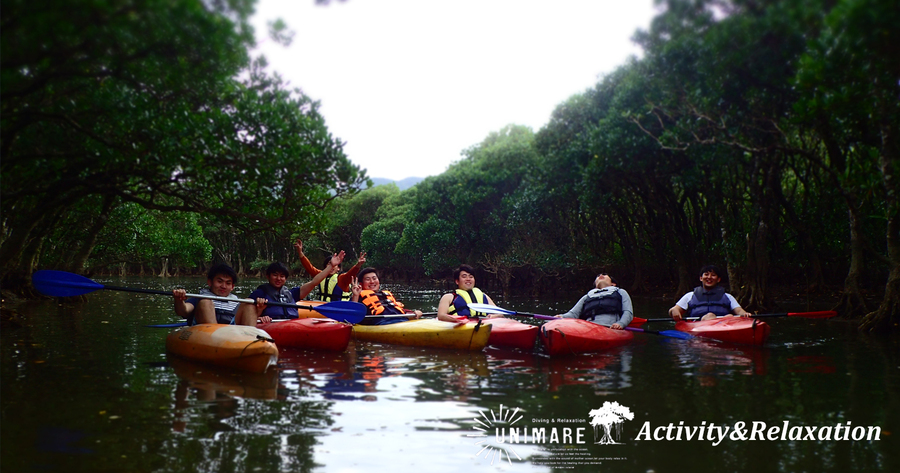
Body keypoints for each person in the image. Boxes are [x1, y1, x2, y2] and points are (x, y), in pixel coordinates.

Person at [249, 251, 345, 319]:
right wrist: (259, 313)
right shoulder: (260, 293)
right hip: (271, 325)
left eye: (282, 276)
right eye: (275, 275)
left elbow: (314, 282)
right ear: (267, 276)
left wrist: (331, 266)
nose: (278, 279)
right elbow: (247, 312)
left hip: (290, 325)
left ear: (286, 279)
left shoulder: (292, 294)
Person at [172, 263, 268, 326]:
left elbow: (246, 317)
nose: (223, 286)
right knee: (206, 302)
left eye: (228, 283)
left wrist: (258, 310)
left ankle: (250, 342)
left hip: (232, 333)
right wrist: (179, 300)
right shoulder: (199, 298)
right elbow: (183, 311)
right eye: (219, 281)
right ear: (210, 282)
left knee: (249, 303)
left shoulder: (237, 302)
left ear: (232, 287)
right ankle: (215, 340)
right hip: (207, 335)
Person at [669, 265, 750, 321]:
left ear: (718, 279)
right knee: (710, 315)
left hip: (725, 324)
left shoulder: (727, 296)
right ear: (701, 278)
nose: (709, 277)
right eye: (706, 274)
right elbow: (675, 309)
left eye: (713, 275)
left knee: (730, 316)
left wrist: (744, 314)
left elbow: (738, 310)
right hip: (699, 324)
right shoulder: (690, 295)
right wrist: (674, 311)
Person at [295, 239, 366, 302]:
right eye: (329, 264)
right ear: (325, 267)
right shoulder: (320, 275)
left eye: (335, 265)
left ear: (338, 268)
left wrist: (358, 265)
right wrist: (300, 253)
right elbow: (309, 267)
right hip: (323, 308)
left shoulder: (341, 278)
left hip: (338, 309)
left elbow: (351, 274)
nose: (332, 266)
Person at [555, 273, 633, 330]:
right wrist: (562, 317)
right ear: (596, 285)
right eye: (598, 276)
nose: (601, 275)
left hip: (610, 328)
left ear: (613, 284)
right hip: (588, 327)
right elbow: (574, 314)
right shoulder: (587, 296)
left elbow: (628, 312)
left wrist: (621, 324)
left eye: (605, 275)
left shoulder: (620, 292)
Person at [350, 267, 423, 325]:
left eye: (374, 278)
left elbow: (398, 309)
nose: (372, 282)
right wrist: (355, 295)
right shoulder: (358, 296)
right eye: (368, 279)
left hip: (403, 320)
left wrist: (413, 313)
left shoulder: (385, 294)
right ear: (361, 284)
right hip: (383, 323)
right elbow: (352, 315)